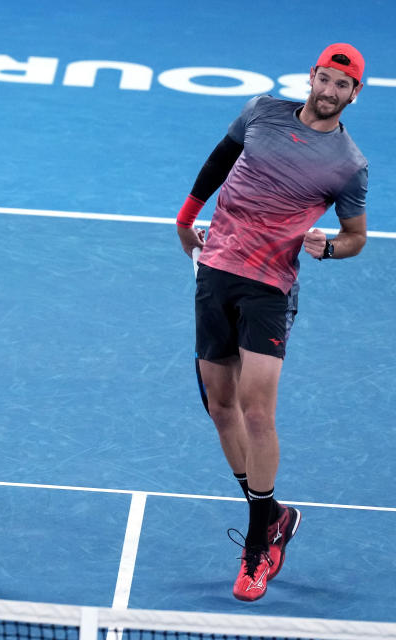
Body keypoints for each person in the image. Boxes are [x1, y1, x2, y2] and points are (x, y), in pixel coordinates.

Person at [175, 43, 367, 601]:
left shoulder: (349, 164)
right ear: (311, 76)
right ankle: (273, 513)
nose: (330, 92)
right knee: (219, 405)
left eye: (343, 86)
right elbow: (218, 159)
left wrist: (329, 248)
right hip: (215, 269)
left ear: (356, 94)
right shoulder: (262, 111)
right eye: (325, 80)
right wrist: (186, 218)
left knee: (257, 410)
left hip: (270, 287)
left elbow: (356, 236)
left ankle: (259, 543)